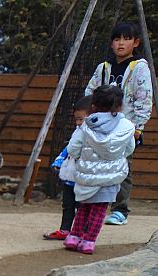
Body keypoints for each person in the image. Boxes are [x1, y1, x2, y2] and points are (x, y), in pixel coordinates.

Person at [83, 22, 153, 225]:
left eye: (126, 39)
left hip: (125, 129)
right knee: (96, 164)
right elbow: (90, 92)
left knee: (123, 167)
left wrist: (138, 127)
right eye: (117, 39)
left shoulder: (139, 68)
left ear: (136, 43)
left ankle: (120, 210)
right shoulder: (103, 68)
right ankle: (93, 206)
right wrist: (90, 117)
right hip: (101, 127)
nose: (121, 43)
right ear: (111, 43)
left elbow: (144, 98)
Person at [63, 84, 136, 254]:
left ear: (93, 105)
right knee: (99, 210)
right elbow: (129, 148)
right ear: (120, 106)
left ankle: (74, 237)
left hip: (87, 175)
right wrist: (117, 157)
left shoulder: (87, 124)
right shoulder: (126, 126)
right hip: (111, 176)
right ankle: (88, 242)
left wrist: (81, 158)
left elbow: (73, 148)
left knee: (84, 206)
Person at [44, 96, 93, 242]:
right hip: (70, 175)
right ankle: (65, 230)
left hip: (83, 177)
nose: (78, 123)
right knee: (67, 205)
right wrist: (60, 160)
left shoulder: (94, 134)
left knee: (82, 207)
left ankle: (81, 233)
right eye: (76, 119)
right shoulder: (78, 131)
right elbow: (69, 147)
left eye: (80, 119)